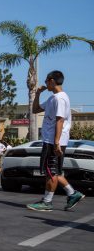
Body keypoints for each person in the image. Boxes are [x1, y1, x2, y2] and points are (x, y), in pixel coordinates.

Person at [27, 70, 85, 212]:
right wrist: (38, 94)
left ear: (52, 81)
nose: (45, 83)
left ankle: (47, 202)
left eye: (47, 81)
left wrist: (56, 142)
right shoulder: (53, 98)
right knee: (54, 171)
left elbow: (60, 120)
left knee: (51, 172)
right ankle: (73, 193)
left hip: (53, 141)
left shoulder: (60, 98)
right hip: (51, 140)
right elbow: (35, 110)